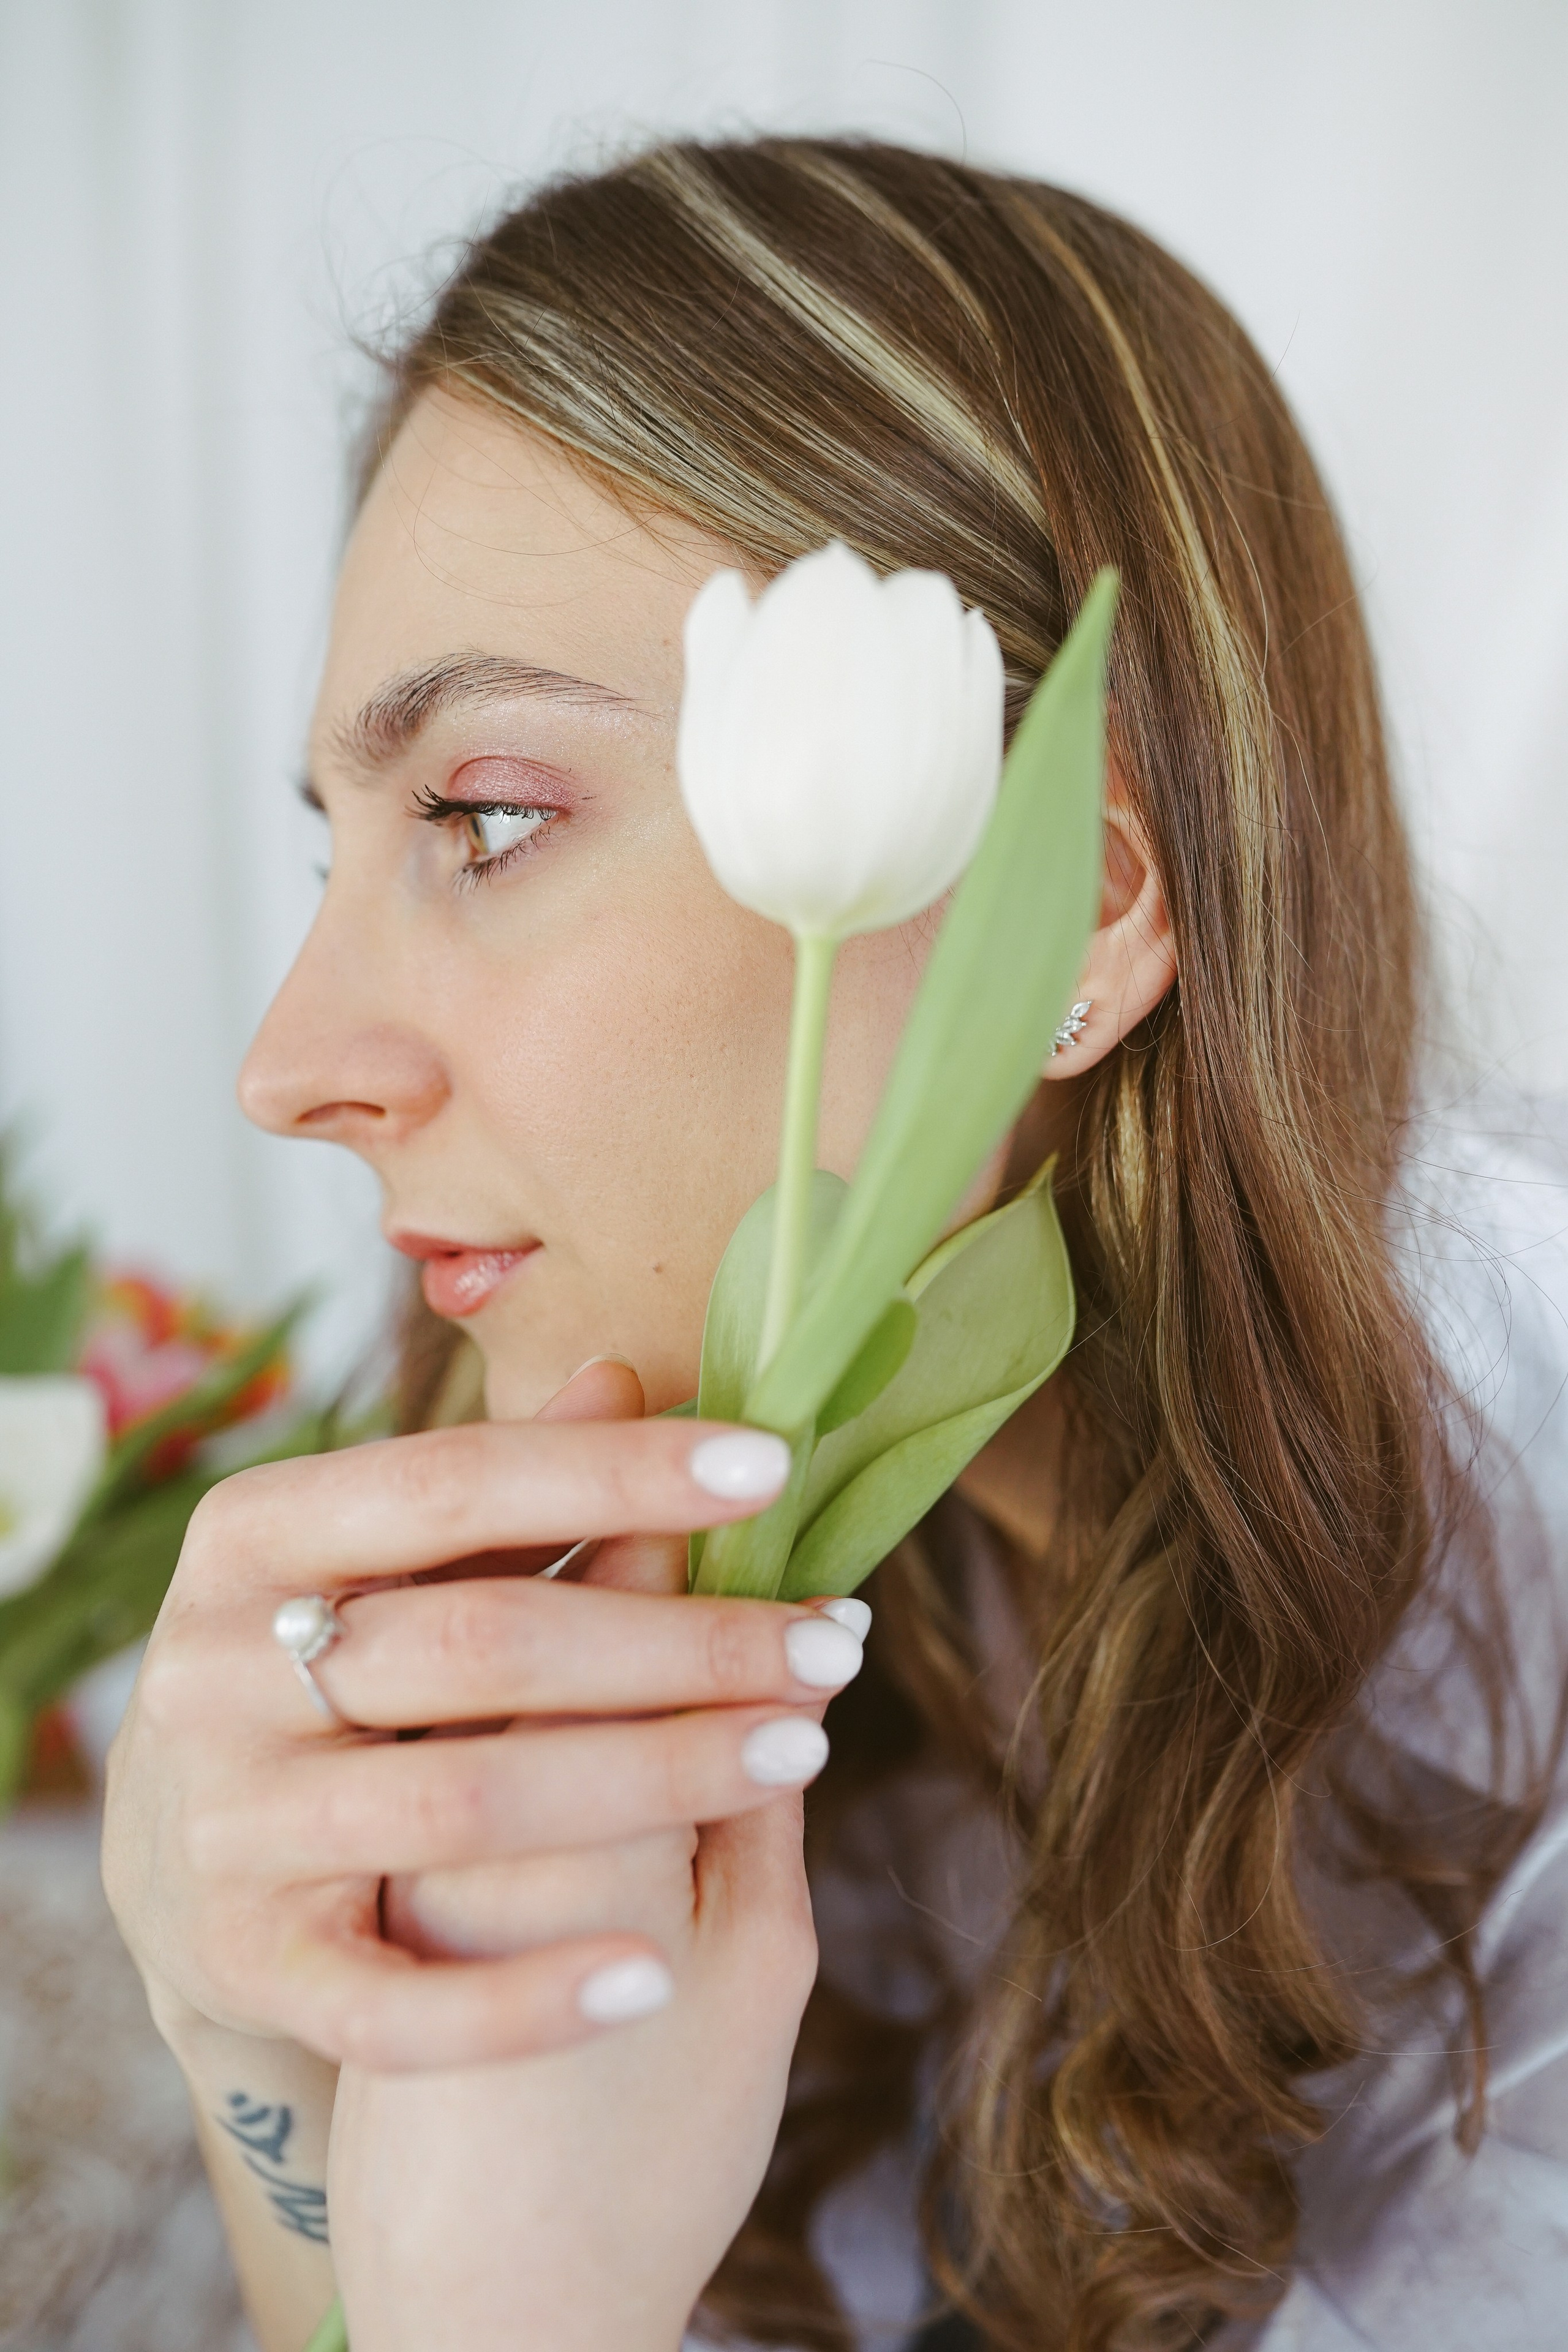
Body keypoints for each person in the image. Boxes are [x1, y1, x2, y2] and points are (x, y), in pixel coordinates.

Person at [101, 138, 1568, 2352]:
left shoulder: (1512, 1679)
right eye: (340, 853)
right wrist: (260, 2043)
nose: (290, 1066)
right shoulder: (759, 1619)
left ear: (1070, 904)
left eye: (484, 817)